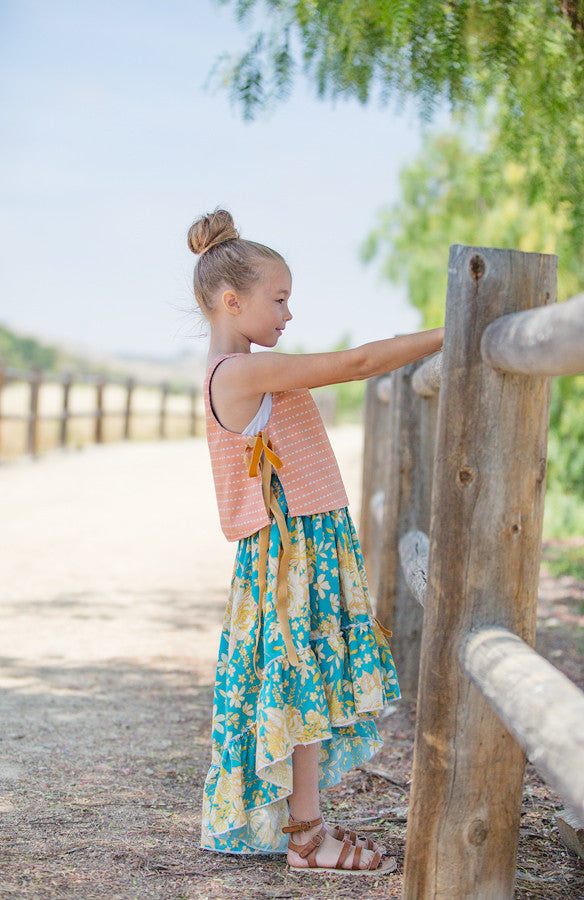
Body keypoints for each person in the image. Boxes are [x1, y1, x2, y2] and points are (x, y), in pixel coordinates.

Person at [189, 209, 444, 875]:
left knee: (306, 684)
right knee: (300, 685)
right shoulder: (236, 374)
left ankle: (308, 826)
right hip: (289, 557)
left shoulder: (246, 368)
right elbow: (357, 362)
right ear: (231, 300)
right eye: (279, 300)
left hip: (302, 548)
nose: (288, 315)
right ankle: (307, 836)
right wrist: (454, 331)